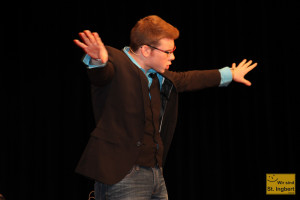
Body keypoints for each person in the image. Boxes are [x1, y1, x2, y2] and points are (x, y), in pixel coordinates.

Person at [73, 15, 257, 200]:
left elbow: (188, 79)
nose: (173, 56)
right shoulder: (116, 61)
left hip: (155, 174)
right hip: (123, 175)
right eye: (168, 52)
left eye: (173, 50)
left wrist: (230, 74)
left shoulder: (158, 76)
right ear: (145, 50)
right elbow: (101, 75)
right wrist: (98, 61)